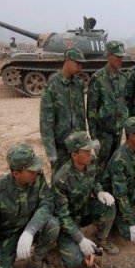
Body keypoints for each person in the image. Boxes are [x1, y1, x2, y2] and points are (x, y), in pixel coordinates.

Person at [52, 131, 119, 268]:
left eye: (90, 149)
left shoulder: (91, 162)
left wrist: (100, 192)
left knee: (109, 205)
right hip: (68, 221)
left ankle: (102, 239)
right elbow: (62, 216)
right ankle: (79, 249)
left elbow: (94, 181)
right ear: (74, 155)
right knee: (74, 262)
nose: (90, 153)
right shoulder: (61, 179)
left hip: (84, 209)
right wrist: (80, 240)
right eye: (86, 150)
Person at [40, 48, 88, 176]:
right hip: (61, 146)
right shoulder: (53, 85)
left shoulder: (78, 84)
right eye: (77, 63)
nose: (80, 67)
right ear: (67, 60)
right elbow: (46, 122)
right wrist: (51, 152)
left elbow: (81, 116)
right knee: (60, 181)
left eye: (81, 64)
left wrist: (85, 141)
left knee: (78, 180)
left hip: (78, 145)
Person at [87, 40, 129, 175]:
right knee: (101, 165)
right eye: (117, 56)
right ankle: (98, 192)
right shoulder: (97, 78)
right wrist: (93, 137)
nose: (120, 60)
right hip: (103, 132)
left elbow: (124, 102)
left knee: (114, 162)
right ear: (109, 56)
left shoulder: (123, 78)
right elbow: (91, 109)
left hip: (118, 129)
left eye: (122, 57)